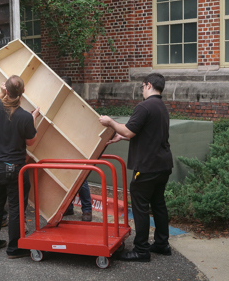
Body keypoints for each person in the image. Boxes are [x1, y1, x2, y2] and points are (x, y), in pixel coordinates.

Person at [98, 73, 173, 262]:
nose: (142, 90)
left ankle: (141, 250)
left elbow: (130, 130)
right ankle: (162, 244)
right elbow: (143, 131)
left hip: (146, 167)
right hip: (162, 165)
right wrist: (122, 136)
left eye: (142, 87)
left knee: (140, 208)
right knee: (158, 204)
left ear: (148, 85)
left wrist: (110, 123)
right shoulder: (161, 107)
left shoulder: (144, 106)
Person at [0, 76, 40, 259]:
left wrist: (0, 93)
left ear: (6, 91)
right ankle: (14, 248)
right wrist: (33, 119)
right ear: (23, 92)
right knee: (16, 208)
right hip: (15, 168)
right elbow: (30, 142)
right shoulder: (24, 116)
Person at [60, 76, 93, 222]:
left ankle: (87, 210)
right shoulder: (60, 102)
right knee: (66, 176)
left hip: (78, 145)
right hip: (64, 143)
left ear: (70, 88)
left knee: (81, 180)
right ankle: (69, 207)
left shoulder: (78, 104)